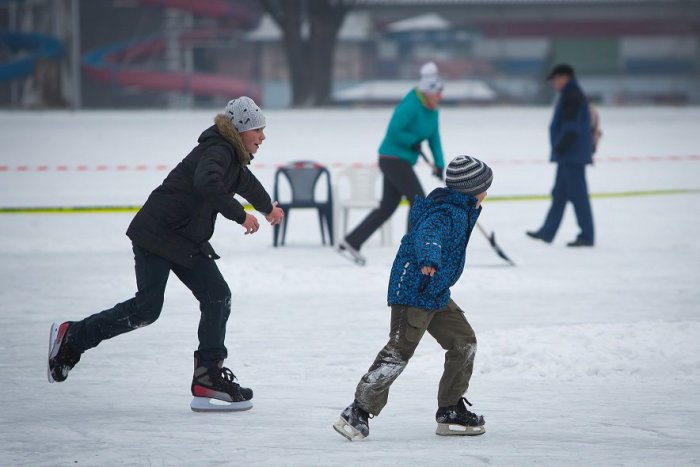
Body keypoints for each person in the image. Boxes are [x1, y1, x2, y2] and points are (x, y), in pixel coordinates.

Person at [47, 96, 284, 412]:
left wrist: (268, 208)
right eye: (258, 129)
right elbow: (206, 182)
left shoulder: (231, 158)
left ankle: (208, 377)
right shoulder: (218, 151)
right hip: (157, 235)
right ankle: (72, 336)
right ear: (240, 130)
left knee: (217, 295)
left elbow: (247, 183)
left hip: (184, 240)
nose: (263, 137)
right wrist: (240, 215)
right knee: (147, 309)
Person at [333, 155, 493, 441]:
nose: (487, 193)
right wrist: (429, 257)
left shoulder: (462, 209)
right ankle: (357, 412)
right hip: (415, 289)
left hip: (436, 292)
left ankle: (450, 410)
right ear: (472, 190)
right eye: (484, 187)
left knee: (463, 343)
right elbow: (428, 234)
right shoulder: (445, 212)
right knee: (399, 351)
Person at [337, 61, 446, 265]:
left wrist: (440, 165)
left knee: (388, 206)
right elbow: (394, 132)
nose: (440, 96)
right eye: (437, 93)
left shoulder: (433, 112)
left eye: (441, 92)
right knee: (418, 200)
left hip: (403, 160)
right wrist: (412, 141)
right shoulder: (411, 104)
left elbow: (434, 139)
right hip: (392, 158)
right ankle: (412, 250)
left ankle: (351, 241)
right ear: (427, 92)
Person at [527, 63, 595, 247]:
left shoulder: (572, 96)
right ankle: (547, 232)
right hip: (569, 156)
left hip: (571, 157)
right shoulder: (570, 95)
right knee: (559, 194)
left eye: (555, 80)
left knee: (578, 196)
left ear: (564, 78)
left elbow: (571, 129)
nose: (553, 84)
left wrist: (560, 147)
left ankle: (587, 236)